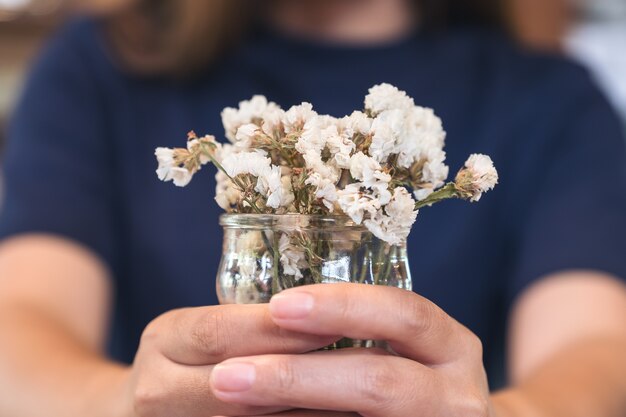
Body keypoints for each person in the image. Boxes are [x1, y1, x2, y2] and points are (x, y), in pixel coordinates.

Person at [1, 0, 625, 416]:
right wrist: (117, 401)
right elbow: (20, 324)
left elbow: (594, 352)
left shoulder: (550, 101)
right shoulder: (101, 66)